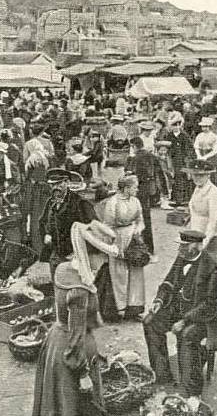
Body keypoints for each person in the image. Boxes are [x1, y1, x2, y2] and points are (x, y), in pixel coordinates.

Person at [28, 221, 119, 416]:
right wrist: (83, 374)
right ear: (92, 254)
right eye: (102, 258)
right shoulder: (80, 288)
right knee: (76, 412)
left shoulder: (64, 269)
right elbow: (76, 334)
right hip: (71, 353)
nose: (104, 264)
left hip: (55, 343)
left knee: (55, 410)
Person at [143, 229, 217, 397]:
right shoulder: (182, 258)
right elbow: (168, 282)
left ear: (198, 245)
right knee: (151, 322)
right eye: (180, 245)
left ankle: (190, 388)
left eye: (185, 245)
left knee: (187, 334)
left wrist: (184, 321)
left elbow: (211, 305)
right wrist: (158, 301)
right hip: (182, 310)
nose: (180, 249)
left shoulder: (214, 267)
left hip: (207, 319)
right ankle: (162, 375)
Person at [102, 174, 147, 320]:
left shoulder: (136, 201)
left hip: (133, 239)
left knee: (136, 272)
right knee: (118, 274)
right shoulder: (113, 202)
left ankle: (134, 308)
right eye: (135, 187)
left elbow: (141, 220)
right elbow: (107, 226)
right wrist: (114, 246)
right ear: (126, 188)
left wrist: (138, 230)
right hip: (117, 238)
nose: (137, 189)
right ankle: (117, 308)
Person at [39, 169, 97, 280]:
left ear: (67, 183)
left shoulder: (80, 202)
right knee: (57, 283)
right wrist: (46, 234)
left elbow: (93, 227)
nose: (55, 187)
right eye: (52, 185)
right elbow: (42, 221)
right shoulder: (50, 202)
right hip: (56, 253)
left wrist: (80, 250)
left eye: (59, 184)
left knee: (73, 286)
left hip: (74, 254)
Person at [185, 158, 217, 266]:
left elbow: (214, 221)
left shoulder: (214, 193)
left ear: (208, 175)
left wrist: (204, 243)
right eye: (195, 175)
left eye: (201, 175)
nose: (197, 178)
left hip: (213, 237)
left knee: (215, 269)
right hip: (198, 234)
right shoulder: (197, 188)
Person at [126, 136, 158, 256]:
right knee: (146, 218)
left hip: (137, 190)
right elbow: (158, 172)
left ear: (133, 146)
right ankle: (150, 248)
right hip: (148, 189)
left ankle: (137, 248)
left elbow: (131, 175)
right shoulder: (151, 155)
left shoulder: (135, 158)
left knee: (135, 219)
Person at [22, 137, 52, 253]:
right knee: (42, 217)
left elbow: (28, 176)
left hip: (35, 190)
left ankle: (36, 247)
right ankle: (42, 246)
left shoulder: (32, 158)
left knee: (34, 218)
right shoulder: (44, 156)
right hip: (44, 189)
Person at [166, 117, 194, 206]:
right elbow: (167, 148)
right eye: (174, 125)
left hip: (183, 160)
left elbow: (189, 148)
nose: (176, 127)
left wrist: (188, 159)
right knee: (175, 178)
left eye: (178, 125)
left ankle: (184, 199)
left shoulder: (184, 135)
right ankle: (176, 199)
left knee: (185, 178)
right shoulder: (169, 136)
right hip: (173, 159)